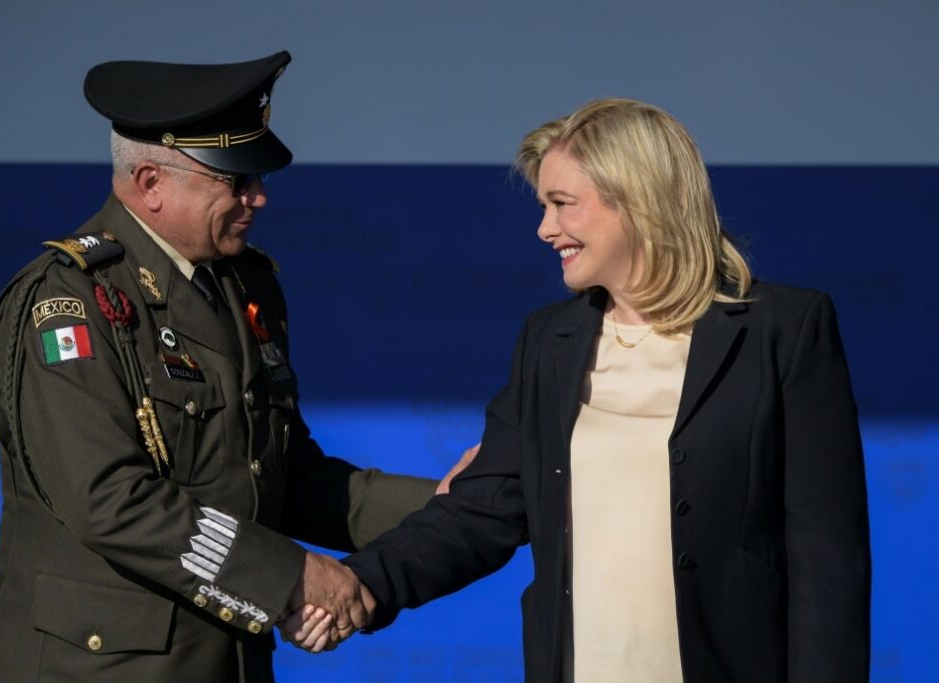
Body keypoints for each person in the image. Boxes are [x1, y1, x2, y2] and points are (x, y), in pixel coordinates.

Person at [285, 98, 872, 681]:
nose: (544, 229)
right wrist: (364, 583)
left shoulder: (784, 330)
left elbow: (828, 561)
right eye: (544, 206)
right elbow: (481, 509)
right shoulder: (550, 341)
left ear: (638, 202)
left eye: (562, 204)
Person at [0, 51, 474, 682]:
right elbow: (110, 501)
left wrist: (452, 505)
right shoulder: (66, 304)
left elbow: (282, 477)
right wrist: (291, 576)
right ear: (150, 183)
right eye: (234, 181)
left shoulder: (243, 286)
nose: (257, 197)